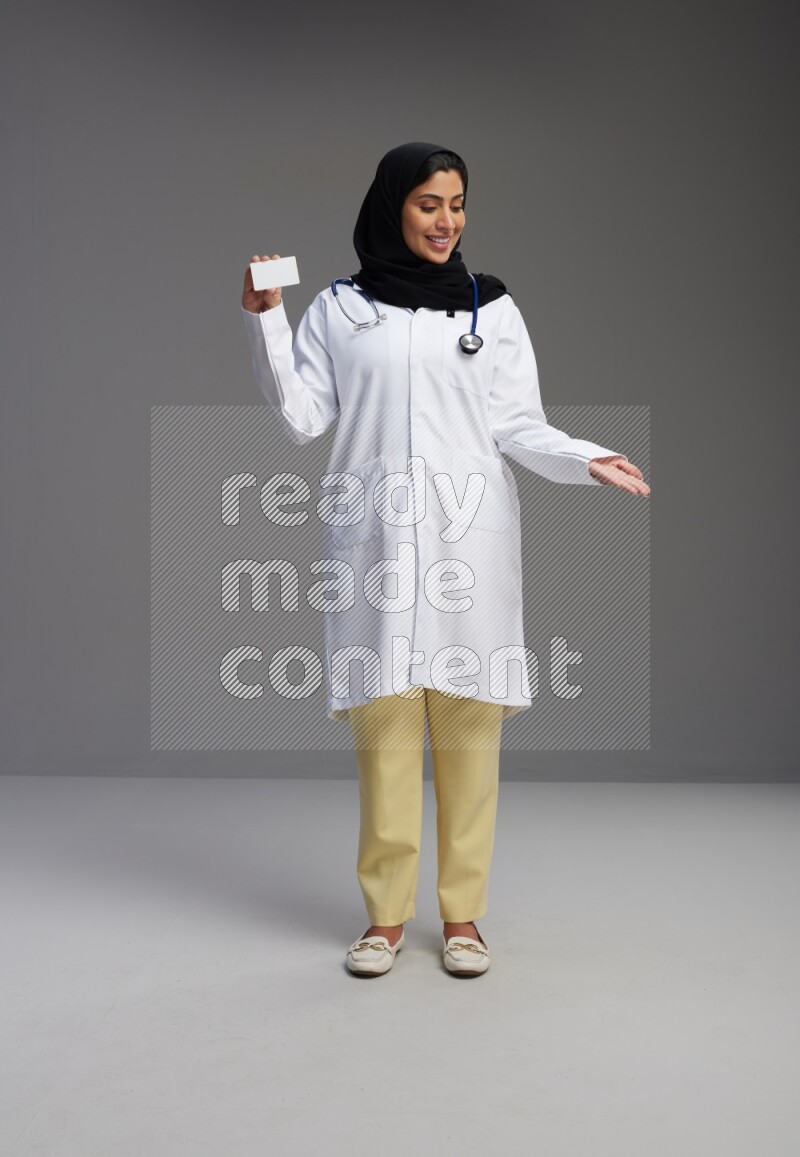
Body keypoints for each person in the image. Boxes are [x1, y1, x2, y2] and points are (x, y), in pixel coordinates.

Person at [240, 141, 650, 978]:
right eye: (429, 203)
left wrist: (586, 456)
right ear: (394, 205)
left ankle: (462, 919)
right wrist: (265, 318)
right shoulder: (340, 309)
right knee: (385, 737)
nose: (447, 219)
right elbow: (299, 418)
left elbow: (519, 424)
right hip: (376, 546)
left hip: (469, 545)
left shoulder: (487, 308)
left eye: (458, 203)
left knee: (469, 741)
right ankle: (384, 921)